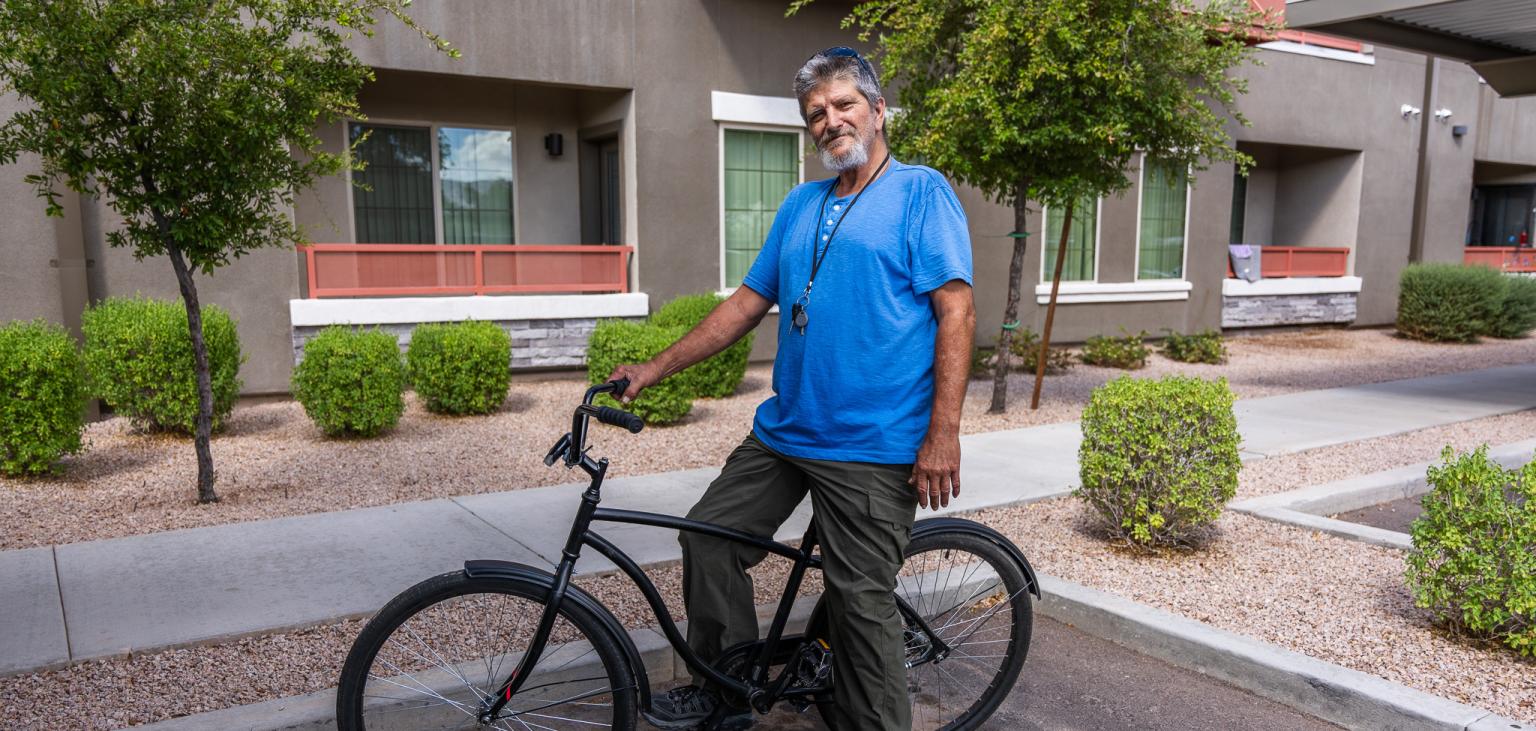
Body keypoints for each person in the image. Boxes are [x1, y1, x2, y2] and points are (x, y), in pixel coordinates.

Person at [606, 46, 975, 731]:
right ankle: (728, 691)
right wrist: (653, 367)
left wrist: (943, 432)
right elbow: (747, 303)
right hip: (785, 433)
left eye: (844, 105)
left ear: (877, 111)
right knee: (708, 540)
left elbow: (956, 310)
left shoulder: (921, 191)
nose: (831, 120)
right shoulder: (801, 204)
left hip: (873, 446)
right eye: (816, 113)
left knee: (863, 610)